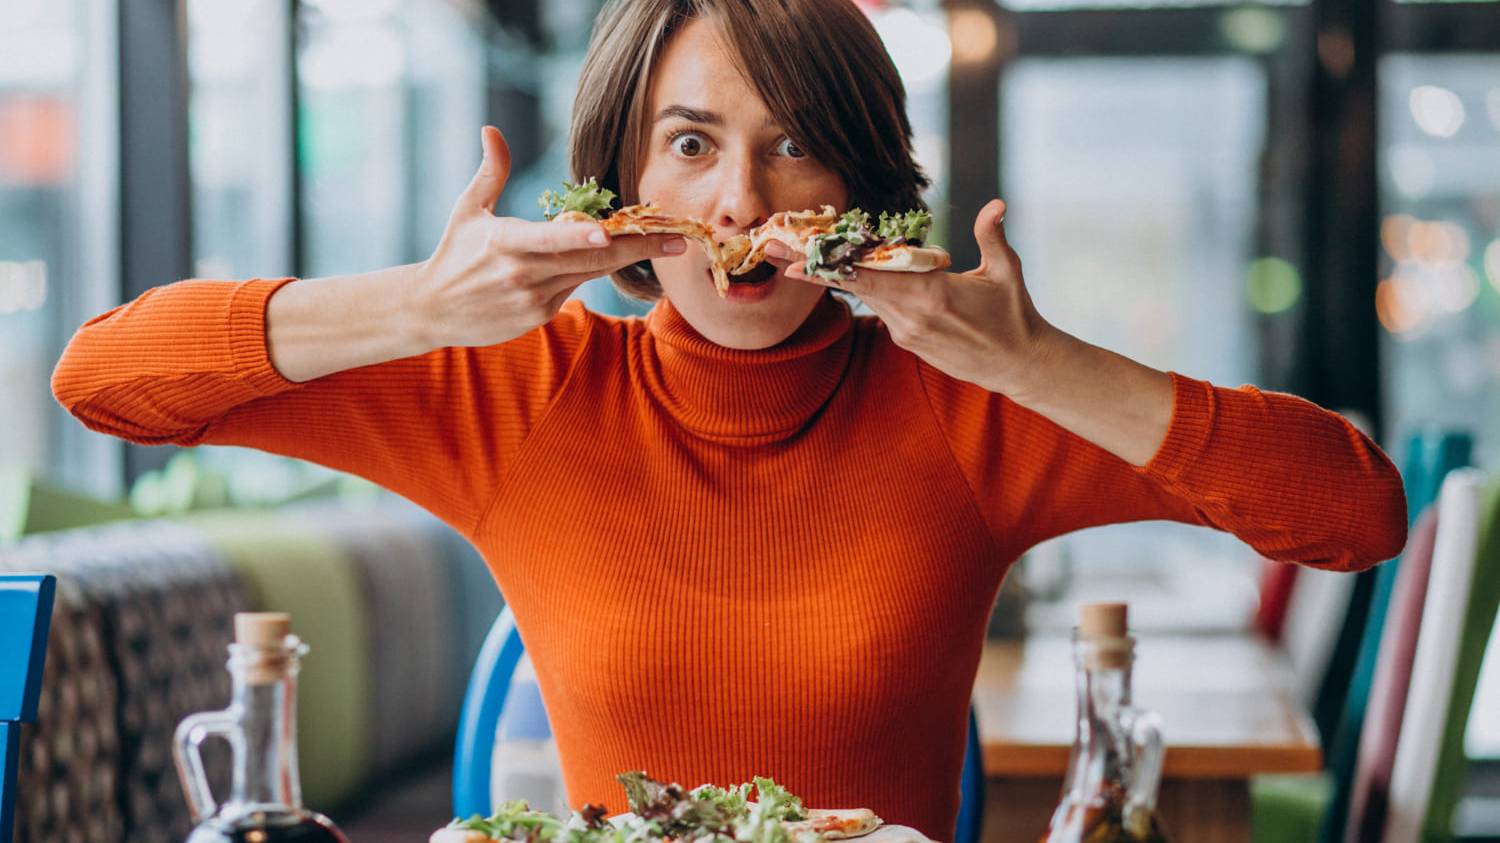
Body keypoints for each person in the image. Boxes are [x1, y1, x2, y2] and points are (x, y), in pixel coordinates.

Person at [51, 0, 1407, 839]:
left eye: (795, 143)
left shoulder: (970, 406)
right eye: (692, 145)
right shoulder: (517, 388)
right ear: (623, 182)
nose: (741, 206)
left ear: (863, 180)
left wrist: (1040, 363)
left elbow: (1357, 512)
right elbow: (106, 379)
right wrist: (415, 305)